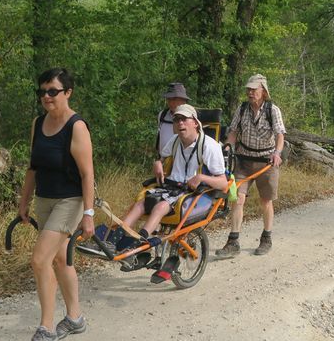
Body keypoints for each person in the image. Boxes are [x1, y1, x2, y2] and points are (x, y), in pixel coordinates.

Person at [77, 104, 227, 278]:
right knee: (140, 204)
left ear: (195, 123)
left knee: (161, 206)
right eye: (177, 120)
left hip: (192, 192)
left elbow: (223, 183)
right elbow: (161, 156)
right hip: (171, 187)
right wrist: (158, 163)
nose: (180, 123)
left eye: (184, 119)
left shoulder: (209, 146)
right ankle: (111, 240)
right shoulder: (175, 141)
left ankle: (138, 244)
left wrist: (201, 178)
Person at [18, 68, 95, 341]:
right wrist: (24, 202)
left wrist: (88, 213)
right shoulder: (38, 123)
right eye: (42, 92)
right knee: (61, 258)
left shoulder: (76, 126)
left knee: (40, 260)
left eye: (52, 91)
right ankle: (75, 318)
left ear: (68, 92)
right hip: (45, 199)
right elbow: (33, 166)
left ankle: (46, 328)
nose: (46, 97)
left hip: (70, 201)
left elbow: (88, 175)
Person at [216, 74, 286, 257]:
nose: (250, 92)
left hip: (266, 163)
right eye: (248, 89)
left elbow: (280, 135)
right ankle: (233, 242)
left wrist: (277, 153)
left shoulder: (273, 110)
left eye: (254, 89)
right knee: (237, 198)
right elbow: (233, 131)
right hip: (244, 161)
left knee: (265, 201)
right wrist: (228, 146)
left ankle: (266, 238)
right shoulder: (242, 108)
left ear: (263, 91)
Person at [156, 83, 190, 155]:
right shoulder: (162, 115)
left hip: (183, 162)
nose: (171, 102)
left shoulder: (191, 118)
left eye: (174, 99)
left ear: (184, 101)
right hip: (163, 161)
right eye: (169, 99)